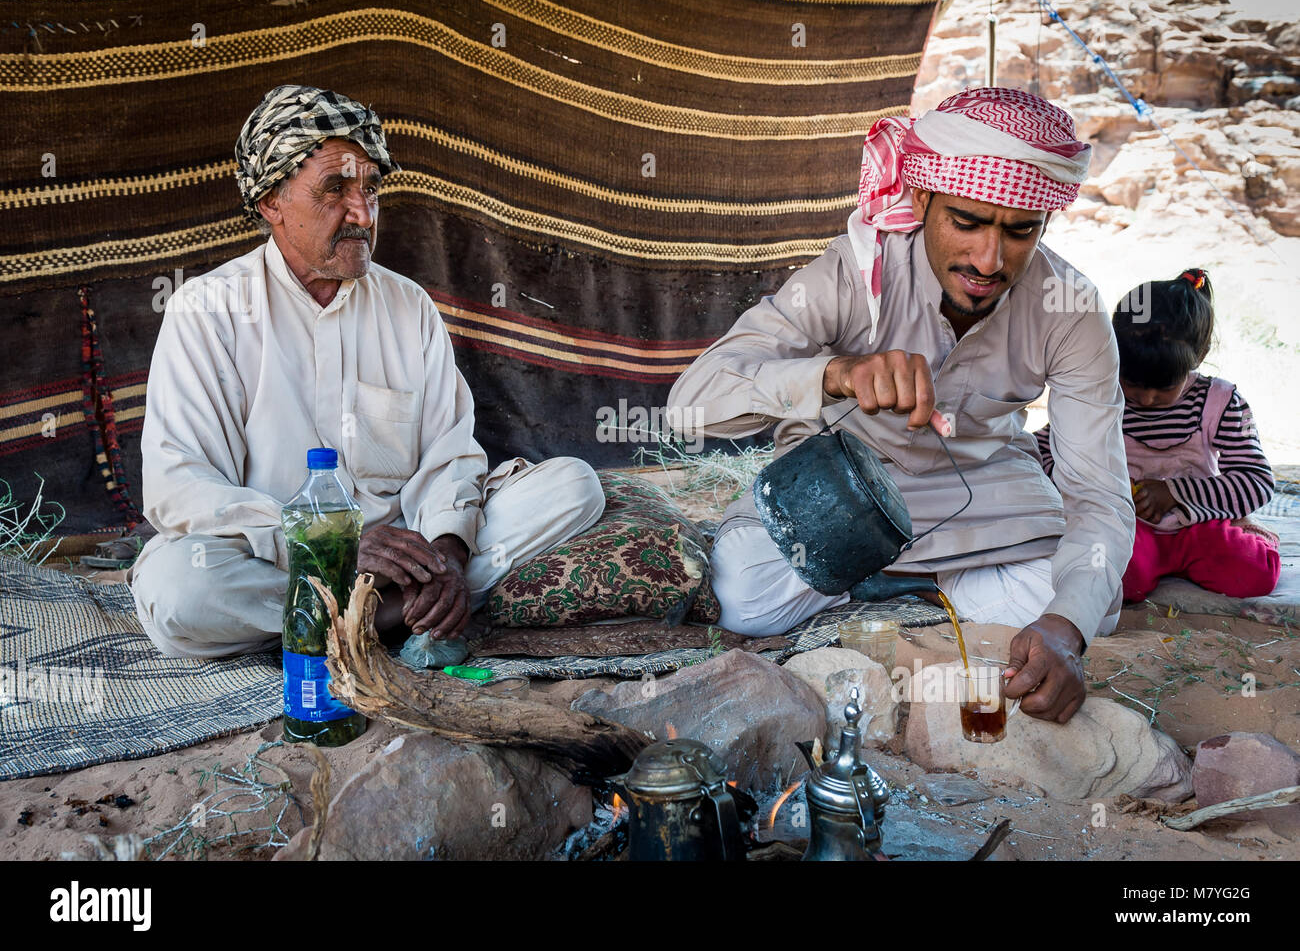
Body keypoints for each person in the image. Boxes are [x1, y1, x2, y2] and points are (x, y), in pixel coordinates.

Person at [668, 87, 1136, 724]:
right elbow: (691, 405)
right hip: (841, 488)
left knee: (1090, 604)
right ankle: (932, 581)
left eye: (1019, 231)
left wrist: (1062, 628)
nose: (988, 260)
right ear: (921, 200)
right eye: (966, 222)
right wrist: (835, 374)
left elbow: (1098, 493)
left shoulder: (1071, 309)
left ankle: (887, 581)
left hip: (985, 494)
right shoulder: (854, 274)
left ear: (1044, 225)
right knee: (741, 594)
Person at [129, 85, 605, 659]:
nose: (362, 213)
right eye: (335, 189)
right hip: (280, 563)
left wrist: (449, 555)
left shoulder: (408, 307)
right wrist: (328, 540)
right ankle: (386, 621)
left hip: (404, 563)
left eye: (371, 190)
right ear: (270, 202)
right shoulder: (208, 311)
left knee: (574, 486)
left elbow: (449, 455)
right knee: (179, 590)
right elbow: (178, 486)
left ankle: (409, 606)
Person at [1036, 269, 1279, 602]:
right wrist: (1084, 487)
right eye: (1133, 383)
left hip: (1200, 525)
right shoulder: (1102, 396)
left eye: (1164, 387)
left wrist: (1174, 493)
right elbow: (1043, 447)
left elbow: (1256, 481)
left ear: (1200, 355)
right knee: (1118, 578)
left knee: (1255, 572)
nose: (1147, 399)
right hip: (1130, 528)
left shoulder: (1221, 402)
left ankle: (1247, 538)